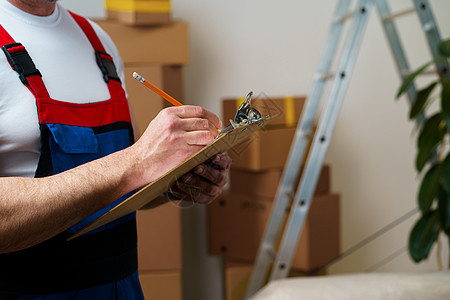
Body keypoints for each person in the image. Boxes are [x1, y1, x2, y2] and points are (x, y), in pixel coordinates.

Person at [0, 0, 231, 298]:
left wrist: (175, 181)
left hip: (122, 288)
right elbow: (131, 164)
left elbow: (127, 183)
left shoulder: (97, 39)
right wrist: (138, 161)